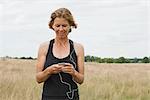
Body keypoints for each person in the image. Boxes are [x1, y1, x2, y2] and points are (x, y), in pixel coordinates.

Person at [36, 8, 84, 100]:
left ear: (70, 25)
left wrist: (73, 72)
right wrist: (49, 71)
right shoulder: (44, 47)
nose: (61, 29)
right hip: (49, 97)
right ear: (52, 26)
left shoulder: (78, 48)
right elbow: (38, 79)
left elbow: (81, 80)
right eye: (57, 25)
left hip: (71, 97)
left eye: (64, 25)